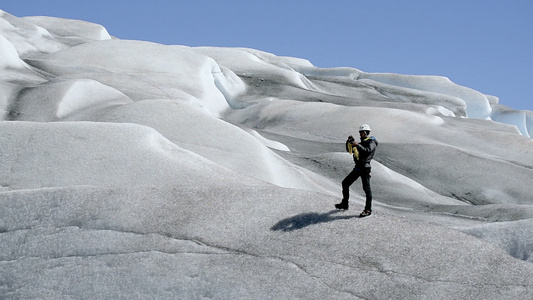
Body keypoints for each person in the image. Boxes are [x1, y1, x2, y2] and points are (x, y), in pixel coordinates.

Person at [335, 124, 378, 217]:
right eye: (360, 132)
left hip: (365, 168)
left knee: (366, 189)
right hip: (358, 167)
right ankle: (345, 204)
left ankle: (368, 209)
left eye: (362, 132)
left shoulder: (372, 142)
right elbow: (351, 150)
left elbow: (367, 151)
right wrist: (349, 142)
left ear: (366, 133)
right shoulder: (362, 143)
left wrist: (357, 145)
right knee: (345, 183)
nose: (361, 134)